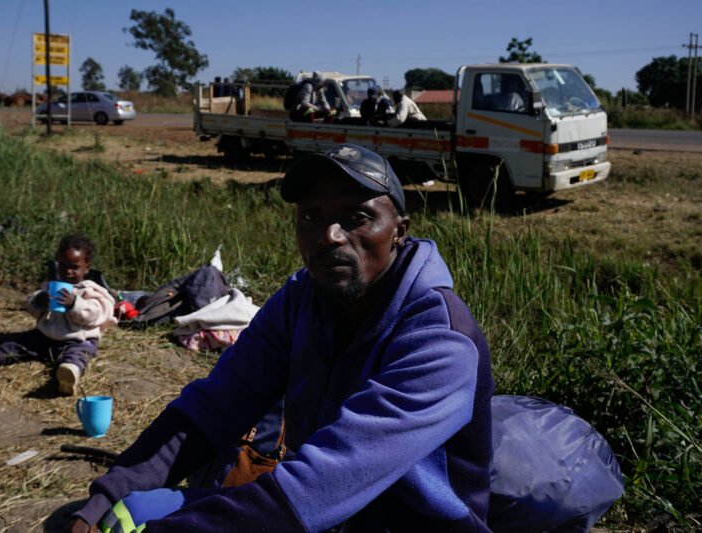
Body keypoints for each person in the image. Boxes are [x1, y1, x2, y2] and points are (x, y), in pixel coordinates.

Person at [69, 144, 493, 533]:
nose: (330, 236)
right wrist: (106, 497)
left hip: (402, 523)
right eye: (311, 216)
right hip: (322, 516)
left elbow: (320, 486)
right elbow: (215, 406)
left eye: (356, 217)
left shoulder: (439, 339)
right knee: (132, 512)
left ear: (399, 230)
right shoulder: (303, 300)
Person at [0, 234, 116, 396]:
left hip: (78, 339)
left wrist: (75, 304)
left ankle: (69, 371)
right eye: (63, 265)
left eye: (74, 267)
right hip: (47, 336)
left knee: (79, 353)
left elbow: (97, 315)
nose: (68, 271)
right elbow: (31, 306)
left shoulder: (89, 290)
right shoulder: (51, 286)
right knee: (21, 342)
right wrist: (40, 301)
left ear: (86, 267)